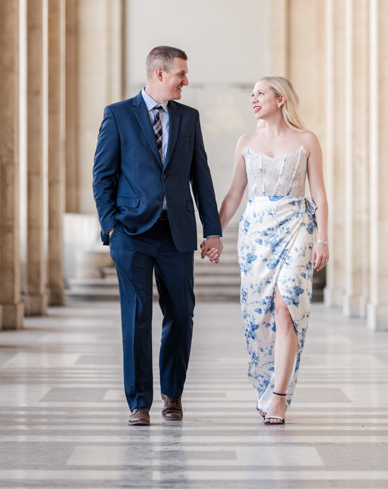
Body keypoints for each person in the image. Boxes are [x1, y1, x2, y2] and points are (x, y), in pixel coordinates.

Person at [92, 46, 223, 427]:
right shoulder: (117, 115)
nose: (186, 80)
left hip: (177, 234)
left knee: (181, 315)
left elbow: (202, 177)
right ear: (160, 74)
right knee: (136, 318)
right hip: (131, 233)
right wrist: (111, 227)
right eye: (181, 73)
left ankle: (173, 395)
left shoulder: (189, 118)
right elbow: (103, 176)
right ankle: (139, 403)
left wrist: (211, 229)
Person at [217, 76, 328, 424]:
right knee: (258, 315)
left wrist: (323, 239)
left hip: (297, 227)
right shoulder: (246, 141)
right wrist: (212, 234)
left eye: (260, 93)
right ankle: (265, 386)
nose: (253, 99)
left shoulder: (307, 139)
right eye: (251, 94)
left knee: (286, 307)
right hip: (256, 234)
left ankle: (279, 397)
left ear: (280, 99)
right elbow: (234, 195)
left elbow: (320, 195)